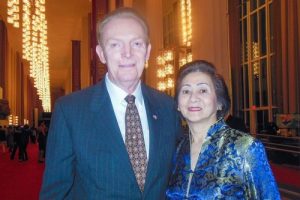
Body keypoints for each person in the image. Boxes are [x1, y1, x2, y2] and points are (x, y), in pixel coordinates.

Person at [40, 7, 180, 199]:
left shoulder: (167, 107)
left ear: (147, 52)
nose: (127, 54)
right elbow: (56, 192)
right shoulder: (70, 111)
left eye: (137, 44)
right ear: (101, 54)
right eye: (115, 45)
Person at [166, 60, 280, 199]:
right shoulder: (178, 149)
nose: (193, 98)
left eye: (202, 90)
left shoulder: (245, 148)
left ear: (219, 102)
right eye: (186, 91)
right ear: (178, 104)